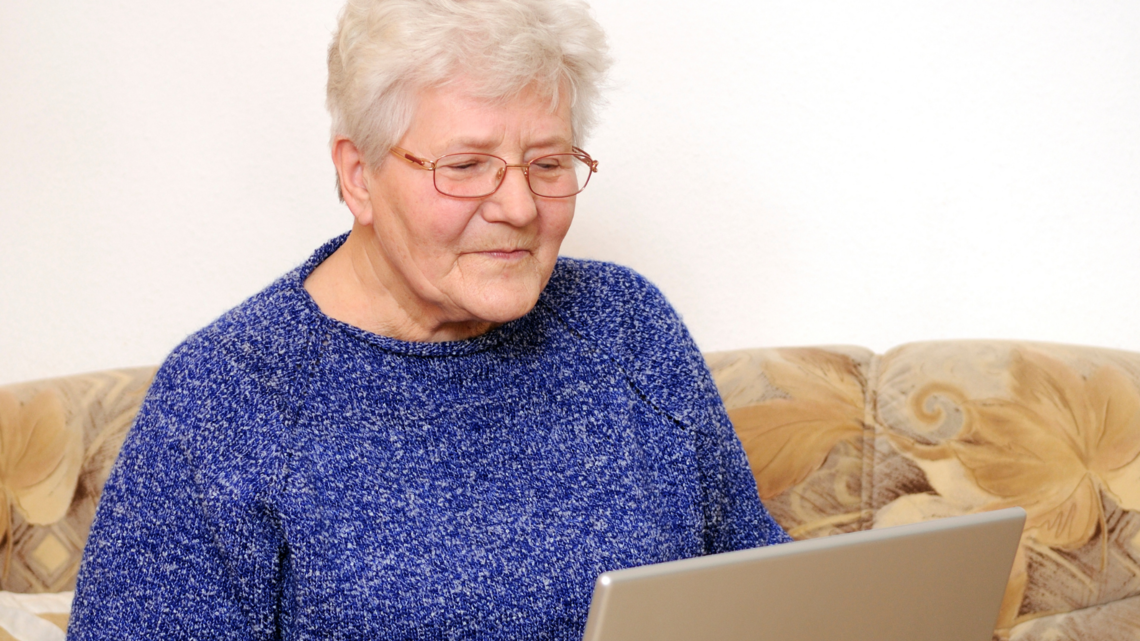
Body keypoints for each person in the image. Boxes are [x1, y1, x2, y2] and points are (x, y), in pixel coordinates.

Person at [67, 0, 790, 638]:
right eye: (468, 165)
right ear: (359, 175)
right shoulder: (228, 396)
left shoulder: (628, 327)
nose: (519, 208)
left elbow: (770, 597)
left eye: (548, 162)